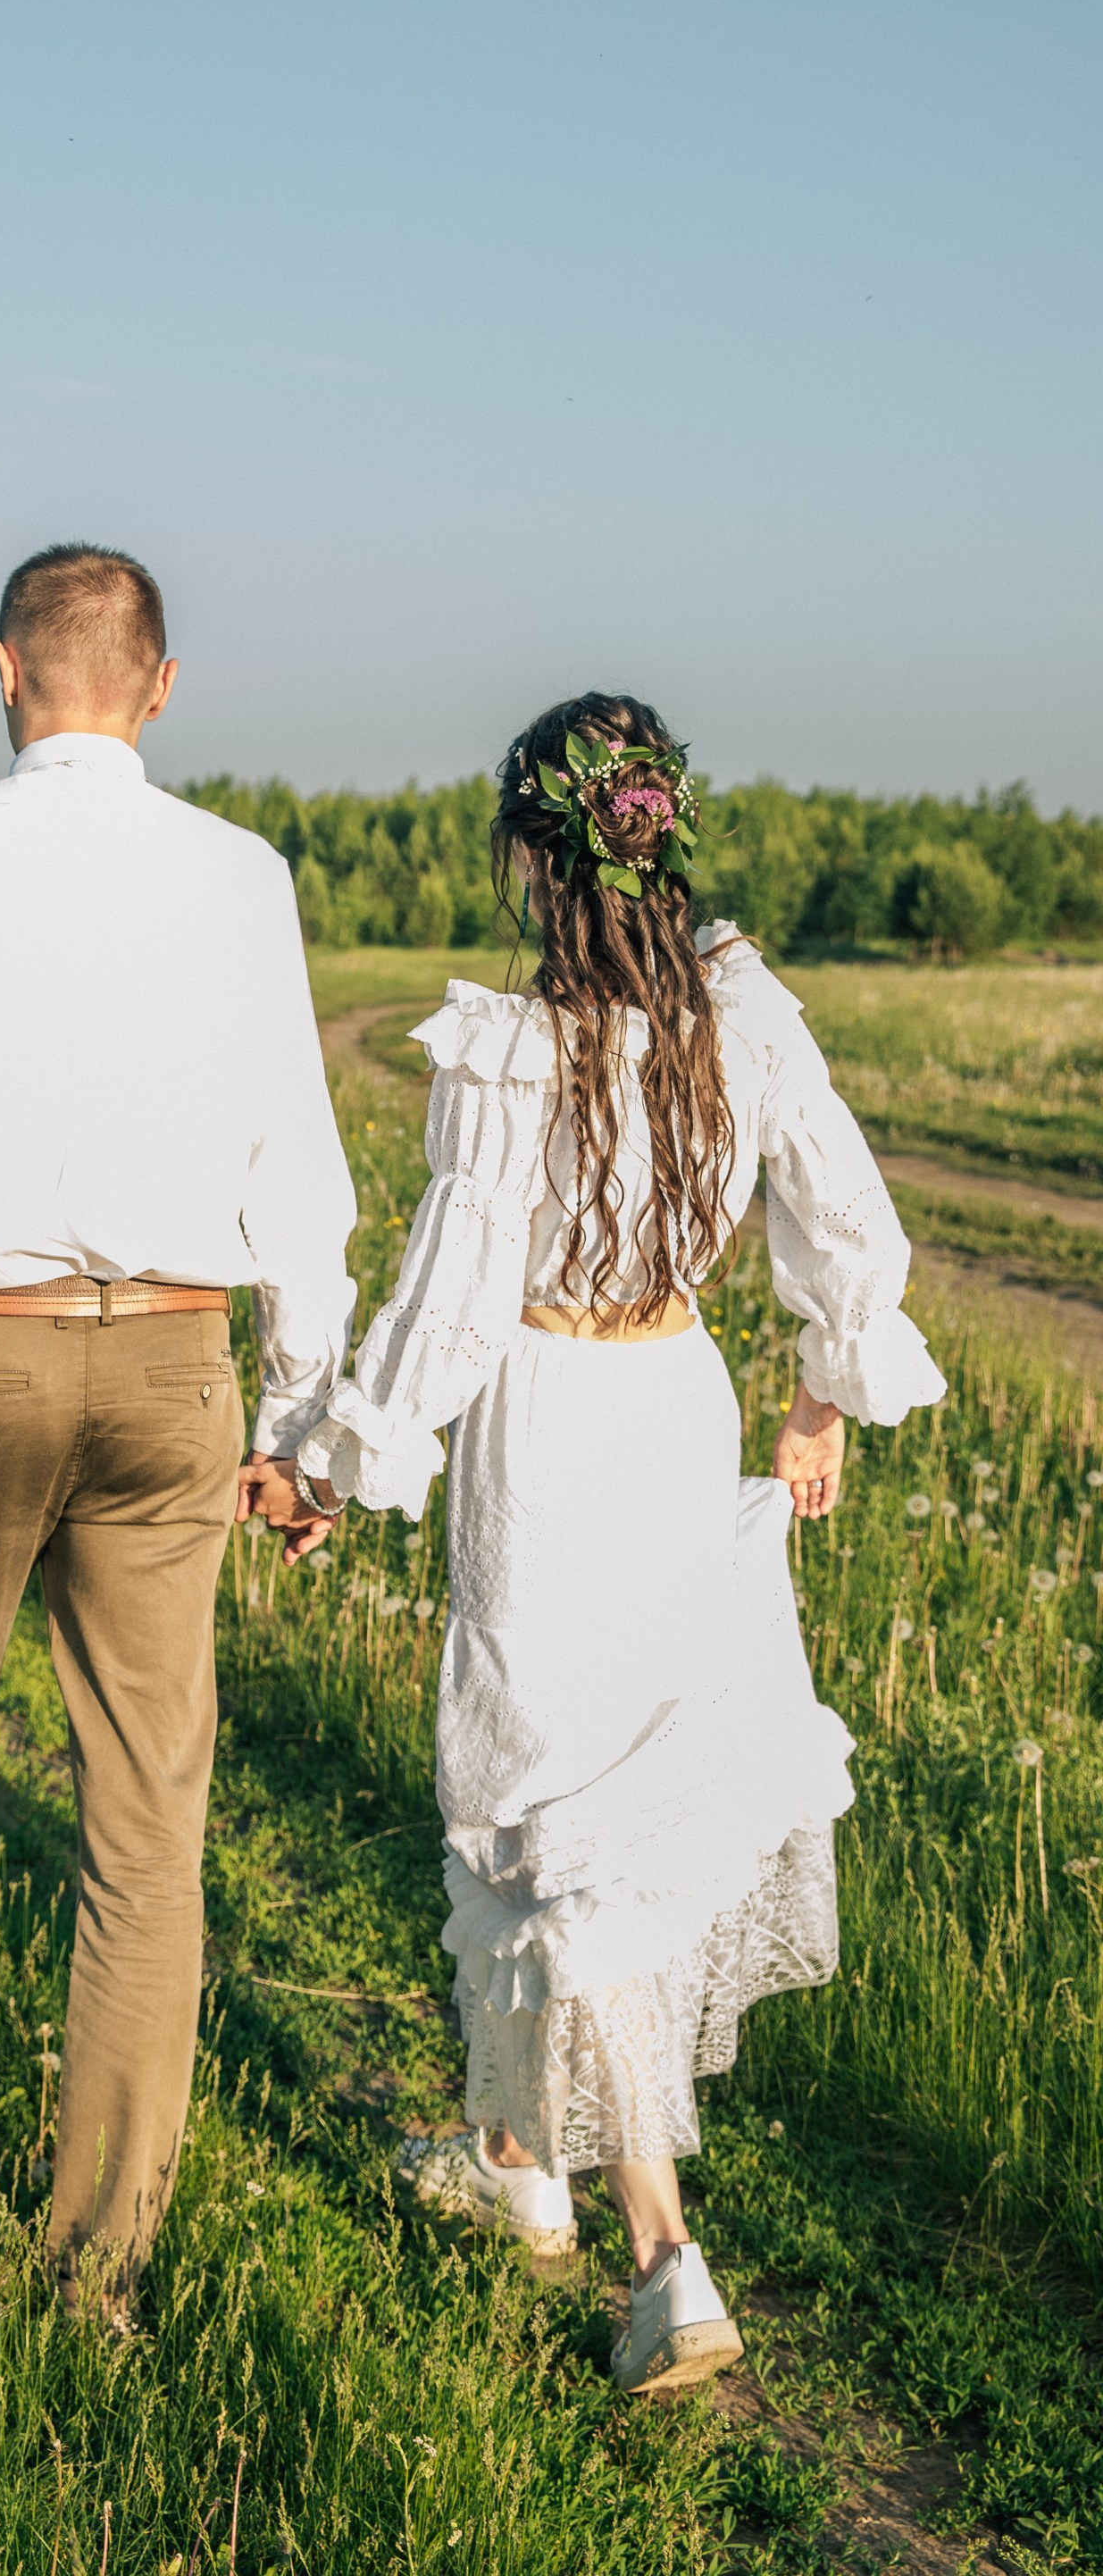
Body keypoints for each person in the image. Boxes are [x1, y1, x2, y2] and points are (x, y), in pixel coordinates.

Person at [244, 691, 945, 2393]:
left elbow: (450, 1304)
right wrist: (820, 1397)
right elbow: (847, 1215)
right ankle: (515, 2162)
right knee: (605, 1790)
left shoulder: (519, 1051)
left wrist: (334, 1461)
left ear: (529, 858)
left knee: (554, 1818)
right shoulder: (737, 1010)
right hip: (676, 1396)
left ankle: (664, 2259)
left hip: (549, 1424)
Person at [0, 542, 355, 2322]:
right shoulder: (243, 874)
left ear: (4, 670)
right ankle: (99, 2258)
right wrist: (309, 1416)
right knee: (147, 1817)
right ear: (161, 686)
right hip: (178, 1364)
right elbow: (298, 1163)